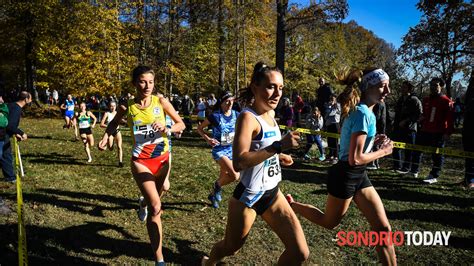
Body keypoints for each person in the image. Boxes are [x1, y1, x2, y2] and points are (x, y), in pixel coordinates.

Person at [286, 68, 396, 265]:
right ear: (367, 87)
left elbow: (353, 151)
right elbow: (354, 158)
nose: (387, 91)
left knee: (383, 229)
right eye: (382, 86)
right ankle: (292, 206)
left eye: (388, 85)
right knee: (329, 222)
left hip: (358, 174)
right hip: (346, 173)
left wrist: (373, 142)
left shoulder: (364, 111)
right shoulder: (363, 113)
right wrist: (384, 152)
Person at [202, 62, 309, 265]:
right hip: (248, 197)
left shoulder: (270, 114)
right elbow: (239, 162)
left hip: (272, 193)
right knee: (230, 248)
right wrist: (278, 147)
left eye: (281, 88)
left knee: (299, 252)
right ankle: (208, 263)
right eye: (271, 86)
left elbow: (260, 151)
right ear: (255, 87)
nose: (277, 93)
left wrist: (277, 157)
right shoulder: (247, 118)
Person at [98, 66, 185, 265]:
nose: (147, 86)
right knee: (156, 207)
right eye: (143, 81)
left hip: (163, 159)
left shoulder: (160, 102)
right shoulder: (126, 107)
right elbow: (113, 124)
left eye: (151, 82)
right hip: (141, 161)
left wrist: (167, 127)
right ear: (135, 83)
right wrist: (106, 136)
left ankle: (142, 202)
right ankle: (159, 260)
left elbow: (181, 124)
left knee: (160, 192)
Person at [197, 91, 240, 209]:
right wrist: (208, 139)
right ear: (221, 103)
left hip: (232, 149)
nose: (230, 103)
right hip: (219, 150)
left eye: (232, 100)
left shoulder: (237, 114)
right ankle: (217, 185)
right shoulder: (215, 116)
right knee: (235, 175)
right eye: (227, 101)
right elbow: (200, 128)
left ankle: (214, 194)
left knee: (224, 175)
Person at [409, 77, 454, 184]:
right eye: (431, 85)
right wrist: (420, 120)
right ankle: (414, 171)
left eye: (436, 85)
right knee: (417, 150)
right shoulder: (426, 99)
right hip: (425, 130)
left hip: (438, 132)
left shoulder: (446, 101)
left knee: (437, 154)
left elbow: (450, 119)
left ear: (441, 87)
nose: (433, 87)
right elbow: (425, 114)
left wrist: (448, 133)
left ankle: (434, 175)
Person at [392, 81, 422, 174]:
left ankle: (406, 167)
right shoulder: (401, 99)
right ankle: (397, 166)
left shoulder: (414, 100)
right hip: (398, 128)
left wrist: (407, 121)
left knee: (408, 150)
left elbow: (419, 114)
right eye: (402, 87)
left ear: (409, 89)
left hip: (410, 129)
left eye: (404, 87)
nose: (402, 89)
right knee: (396, 147)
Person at [2, 91, 32, 182]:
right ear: (26, 99)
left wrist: (15, 133)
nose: (31, 101)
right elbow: (10, 125)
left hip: (3, 132)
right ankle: (10, 177)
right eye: (30, 99)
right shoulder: (17, 109)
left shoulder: (12, 105)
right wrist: (22, 133)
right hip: (3, 134)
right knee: (6, 155)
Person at [100, 101, 123, 167]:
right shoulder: (107, 114)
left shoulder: (118, 113)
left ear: (116, 107)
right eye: (111, 106)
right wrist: (109, 126)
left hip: (117, 131)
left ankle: (120, 162)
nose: (113, 107)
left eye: (114, 106)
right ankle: (107, 143)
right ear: (109, 107)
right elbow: (101, 124)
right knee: (110, 148)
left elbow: (122, 121)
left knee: (119, 146)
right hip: (110, 132)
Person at [366, 100, 387, 170]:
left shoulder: (377, 104)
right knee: (375, 145)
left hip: (376, 127)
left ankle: (372, 163)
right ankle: (376, 163)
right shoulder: (383, 103)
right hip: (380, 126)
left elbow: (377, 116)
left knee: (373, 144)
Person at [462, 72, 474, 189]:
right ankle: (467, 178)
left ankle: (471, 180)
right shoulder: (471, 87)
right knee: (468, 155)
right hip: (468, 127)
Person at [324, 94, 341, 164]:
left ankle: (336, 156)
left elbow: (331, 113)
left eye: (333, 99)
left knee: (335, 141)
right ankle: (330, 155)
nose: (331, 100)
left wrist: (330, 108)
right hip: (329, 124)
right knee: (329, 140)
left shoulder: (338, 105)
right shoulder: (328, 105)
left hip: (335, 124)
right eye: (330, 99)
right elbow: (326, 114)